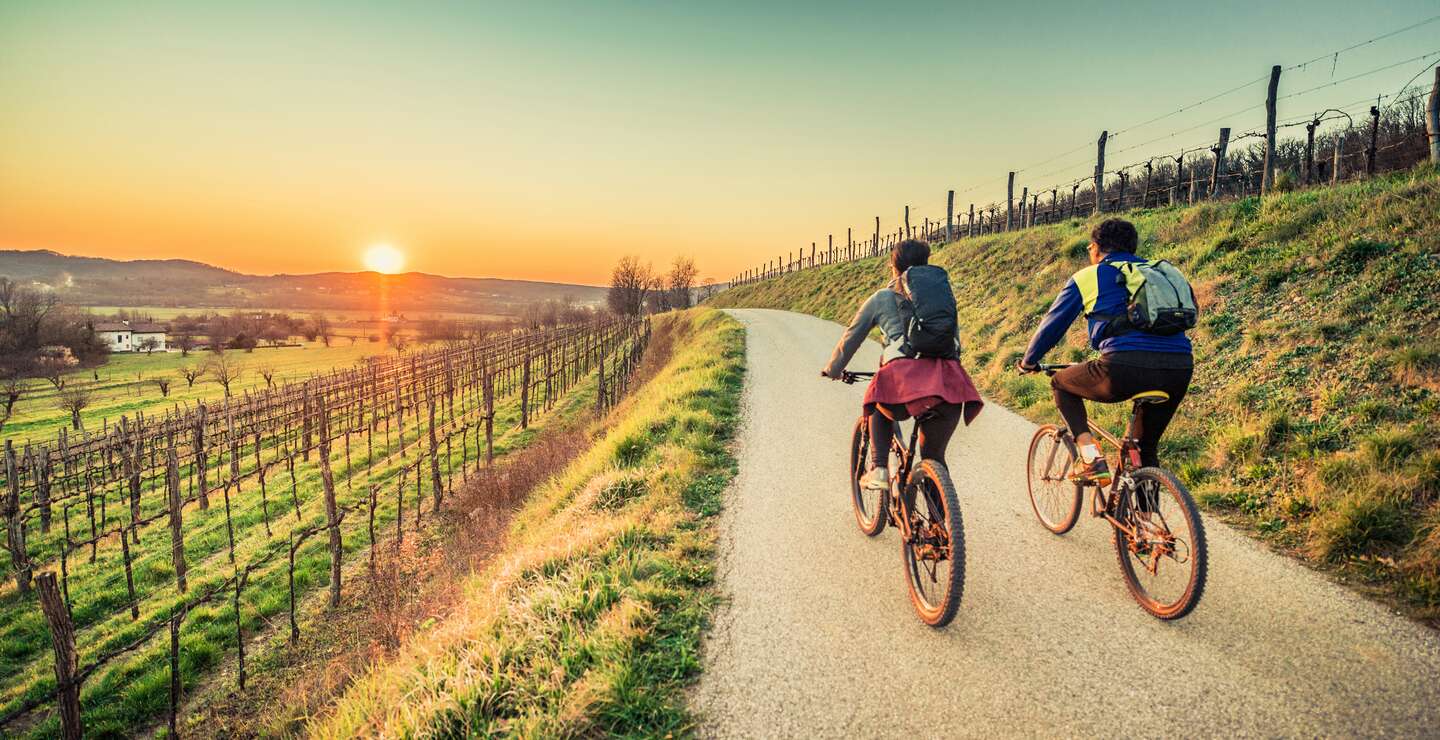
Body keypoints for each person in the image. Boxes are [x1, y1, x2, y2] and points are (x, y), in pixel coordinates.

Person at [1018, 218, 1194, 487]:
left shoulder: (1090, 276)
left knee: (1061, 383)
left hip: (1122, 367)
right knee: (1143, 448)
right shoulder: (1159, 273)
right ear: (1133, 248)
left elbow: (1052, 326)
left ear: (1095, 248)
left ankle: (1090, 459)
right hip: (1179, 369)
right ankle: (1143, 525)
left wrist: (1029, 361)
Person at [822, 239, 983, 491]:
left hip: (903, 381)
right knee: (934, 458)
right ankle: (943, 527)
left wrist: (833, 369)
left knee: (875, 401)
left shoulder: (882, 297)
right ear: (925, 265)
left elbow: (851, 337)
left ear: (893, 267)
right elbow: (954, 341)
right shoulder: (941, 297)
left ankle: (879, 469)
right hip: (948, 382)